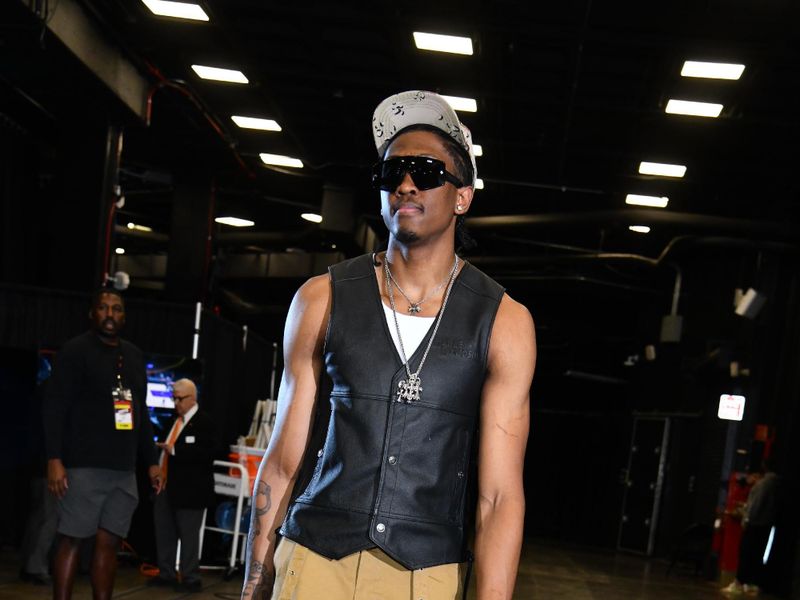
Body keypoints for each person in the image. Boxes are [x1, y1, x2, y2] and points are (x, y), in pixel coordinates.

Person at [241, 90, 536, 600]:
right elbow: (285, 460)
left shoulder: (504, 321)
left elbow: (499, 497)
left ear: (462, 196)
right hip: (313, 561)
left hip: (426, 576)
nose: (404, 184)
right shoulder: (321, 298)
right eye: (391, 173)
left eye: (425, 172)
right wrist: (253, 583)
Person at [43, 288, 162, 600]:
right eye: (104, 308)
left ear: (124, 316)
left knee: (109, 542)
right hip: (82, 467)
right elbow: (54, 407)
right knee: (71, 540)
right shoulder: (74, 351)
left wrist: (151, 462)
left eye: (117, 309)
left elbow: (141, 414)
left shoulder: (134, 356)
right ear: (92, 313)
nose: (110, 314)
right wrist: (54, 458)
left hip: (123, 470)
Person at [148, 378, 217, 593]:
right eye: (173, 398)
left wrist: (174, 451)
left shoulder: (205, 422)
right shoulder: (172, 421)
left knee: (188, 536)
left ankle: (191, 577)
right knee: (164, 532)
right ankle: (166, 573)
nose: (176, 403)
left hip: (191, 491)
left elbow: (207, 454)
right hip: (166, 486)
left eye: (180, 398)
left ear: (192, 398)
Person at [722, 456, 779, 597]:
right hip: (767, 524)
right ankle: (752, 583)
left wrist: (746, 518)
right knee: (757, 555)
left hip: (755, 524)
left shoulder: (763, 484)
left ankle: (739, 582)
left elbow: (755, 505)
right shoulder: (777, 484)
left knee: (746, 552)